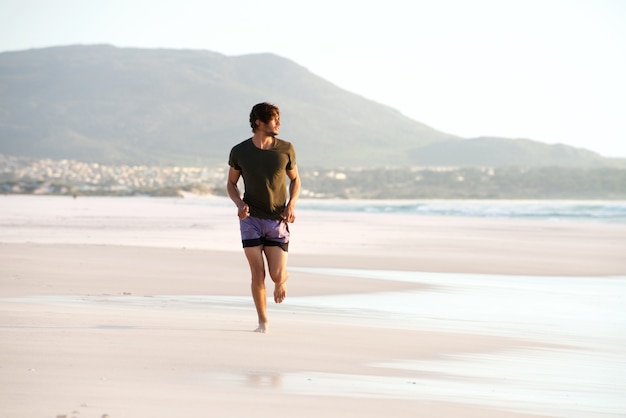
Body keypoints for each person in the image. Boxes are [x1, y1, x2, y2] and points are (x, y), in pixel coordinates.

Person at [227, 102, 301, 333]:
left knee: (276, 274)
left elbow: (295, 180)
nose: (278, 123)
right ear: (259, 122)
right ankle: (263, 321)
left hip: (277, 219)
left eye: (279, 119)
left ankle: (282, 282)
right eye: (274, 119)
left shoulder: (286, 149)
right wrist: (239, 204)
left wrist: (291, 204)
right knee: (257, 274)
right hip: (251, 220)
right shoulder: (240, 151)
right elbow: (231, 183)